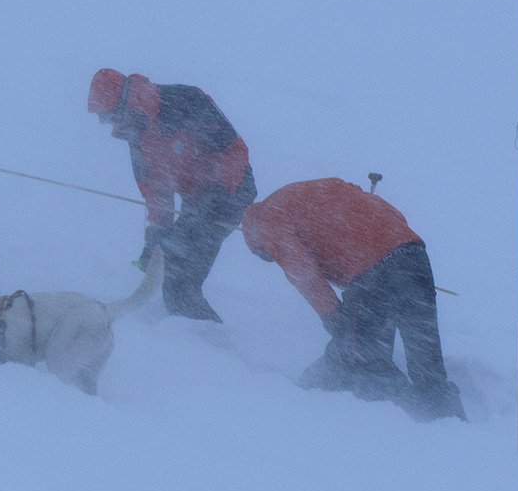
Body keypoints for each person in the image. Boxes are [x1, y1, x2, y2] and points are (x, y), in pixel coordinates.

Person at [241, 177, 466, 422]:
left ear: (255, 243)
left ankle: (400, 423)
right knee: (426, 364)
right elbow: (385, 211)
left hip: (374, 271)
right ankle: (452, 426)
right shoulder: (315, 190)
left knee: (358, 358)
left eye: (268, 257)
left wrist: (332, 316)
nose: (273, 259)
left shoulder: (264, 221)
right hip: (413, 255)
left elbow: (303, 272)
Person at [87, 68, 256, 322]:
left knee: (181, 281)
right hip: (196, 201)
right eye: (104, 119)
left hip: (232, 190)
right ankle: (198, 338)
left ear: (124, 103)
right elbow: (155, 191)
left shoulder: (184, 100)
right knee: (171, 272)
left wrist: (217, 193)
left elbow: (235, 150)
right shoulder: (137, 134)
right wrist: (154, 237)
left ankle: (211, 345)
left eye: (109, 116)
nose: (110, 124)